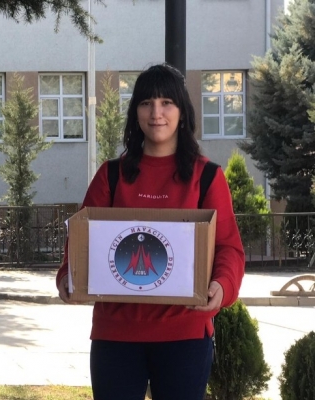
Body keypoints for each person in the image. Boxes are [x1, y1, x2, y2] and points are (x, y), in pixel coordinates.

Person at [56, 64, 245, 400]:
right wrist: (67, 278)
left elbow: (228, 247)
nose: (156, 113)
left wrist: (222, 285)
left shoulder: (207, 177)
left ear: (182, 113)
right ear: (135, 113)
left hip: (185, 335)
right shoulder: (110, 175)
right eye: (146, 103)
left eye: (166, 103)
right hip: (116, 335)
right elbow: (81, 240)